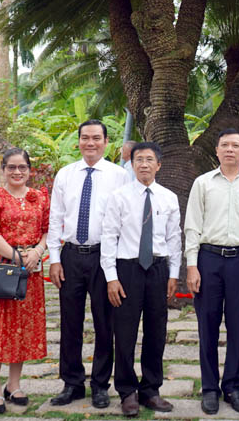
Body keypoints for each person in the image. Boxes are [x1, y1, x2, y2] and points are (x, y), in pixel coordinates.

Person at [185, 128, 239, 415]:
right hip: (209, 260)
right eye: (225, 145)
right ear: (218, 150)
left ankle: (233, 386)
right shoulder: (203, 183)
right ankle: (209, 387)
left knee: (237, 326)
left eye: (236, 145)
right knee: (207, 326)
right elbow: (192, 226)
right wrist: (192, 265)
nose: (230, 149)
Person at [47, 120, 129, 408]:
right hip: (70, 256)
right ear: (78, 141)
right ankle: (72, 383)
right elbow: (55, 218)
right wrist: (55, 259)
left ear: (106, 142)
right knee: (70, 322)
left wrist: (115, 269)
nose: (89, 143)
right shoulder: (65, 175)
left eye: (96, 138)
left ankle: (100, 384)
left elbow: (125, 220)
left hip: (104, 257)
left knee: (105, 322)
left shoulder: (119, 176)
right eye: (85, 138)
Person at [101, 142, 181, 417]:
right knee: (124, 333)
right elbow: (109, 238)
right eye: (139, 160)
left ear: (159, 165)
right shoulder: (119, 197)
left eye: (149, 160)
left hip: (158, 269)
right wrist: (111, 278)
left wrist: (174, 274)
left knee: (156, 332)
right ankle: (126, 391)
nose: (144, 164)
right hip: (127, 269)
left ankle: (151, 390)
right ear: (132, 164)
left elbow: (174, 239)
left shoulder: (169, 198)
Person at [0, 148, 49, 414]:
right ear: (3, 170)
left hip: (31, 270)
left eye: (22, 167)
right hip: (2, 269)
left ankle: (14, 384)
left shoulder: (39, 198)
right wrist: (17, 256)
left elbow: (46, 231)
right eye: (12, 167)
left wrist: (38, 251)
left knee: (22, 329)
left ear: (29, 170)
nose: (17, 172)